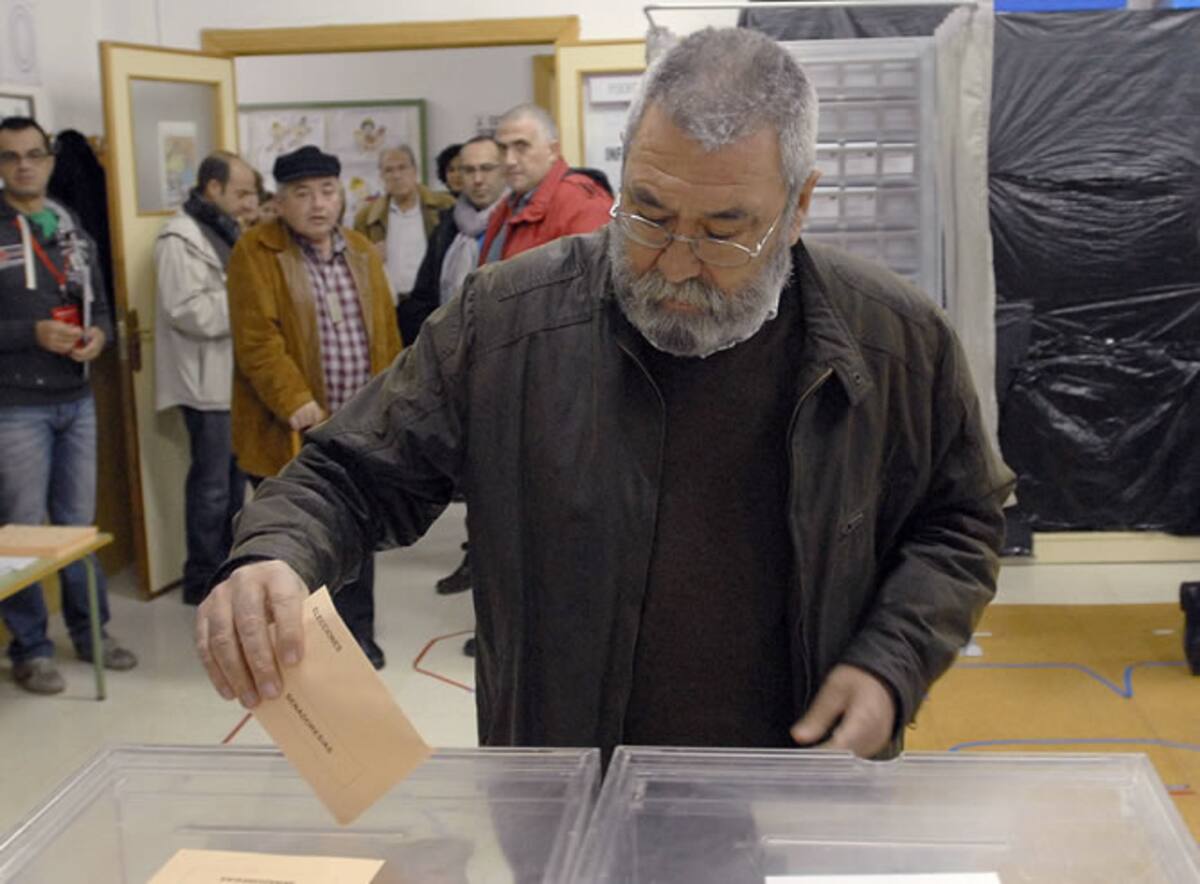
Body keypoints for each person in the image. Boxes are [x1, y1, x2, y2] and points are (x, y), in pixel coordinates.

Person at [196, 28, 1014, 763]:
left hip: (804, 786)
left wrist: (892, 660)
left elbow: (960, 518)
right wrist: (275, 555)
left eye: (724, 230)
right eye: (647, 213)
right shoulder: (508, 324)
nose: (676, 263)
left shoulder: (893, 340)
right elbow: (350, 474)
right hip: (567, 786)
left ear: (798, 206)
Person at [225, 145, 401, 669]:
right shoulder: (255, 252)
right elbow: (258, 343)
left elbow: (387, 336)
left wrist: (392, 403)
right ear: (280, 202)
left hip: (359, 427)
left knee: (358, 533)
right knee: (296, 540)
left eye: (327, 191)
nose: (318, 204)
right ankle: (302, 648)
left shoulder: (361, 249)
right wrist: (297, 401)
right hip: (289, 429)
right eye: (302, 194)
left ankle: (356, 636)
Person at [0, 116, 137, 694]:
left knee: (80, 528)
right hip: (16, 406)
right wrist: (30, 333)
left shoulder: (71, 226)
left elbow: (98, 303)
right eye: (10, 157)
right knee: (23, 532)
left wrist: (100, 334)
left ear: (51, 160)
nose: (24, 166)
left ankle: (91, 633)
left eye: (34, 154)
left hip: (77, 399)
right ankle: (31, 649)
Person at [154, 150, 257, 605]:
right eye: (242, 192)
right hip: (205, 382)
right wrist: (249, 303)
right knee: (212, 487)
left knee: (235, 486)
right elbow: (187, 310)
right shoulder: (179, 236)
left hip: (234, 379)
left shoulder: (228, 229)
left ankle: (226, 570)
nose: (249, 202)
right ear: (213, 188)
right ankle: (201, 579)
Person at [399, 136, 508, 346]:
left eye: (486, 168)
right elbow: (423, 297)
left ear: (504, 170)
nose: (478, 179)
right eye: (468, 170)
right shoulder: (447, 227)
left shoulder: (518, 222)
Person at [480, 103, 613, 264]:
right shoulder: (508, 206)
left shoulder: (583, 204)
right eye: (502, 149)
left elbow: (596, 276)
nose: (509, 160)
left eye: (521, 147)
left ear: (553, 151)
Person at [352, 145, 454, 306]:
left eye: (402, 168)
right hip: (389, 304)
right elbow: (355, 268)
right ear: (381, 176)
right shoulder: (366, 218)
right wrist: (370, 258)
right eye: (389, 170)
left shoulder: (445, 206)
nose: (397, 176)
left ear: (414, 171)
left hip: (434, 303)